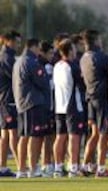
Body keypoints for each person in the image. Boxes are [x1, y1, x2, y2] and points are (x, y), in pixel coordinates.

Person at [13, 38, 50, 178]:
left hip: (22, 103)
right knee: (34, 136)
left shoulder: (18, 61)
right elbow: (43, 82)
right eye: (38, 49)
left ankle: (21, 169)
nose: (40, 52)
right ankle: (33, 169)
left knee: (24, 136)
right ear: (34, 47)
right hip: (33, 103)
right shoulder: (32, 62)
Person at [80, 29, 108, 177]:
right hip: (101, 99)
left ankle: (84, 165)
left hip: (90, 98)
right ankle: (100, 168)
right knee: (104, 134)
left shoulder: (83, 57)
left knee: (94, 134)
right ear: (96, 41)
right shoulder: (100, 57)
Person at [53, 39, 86, 178]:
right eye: (73, 48)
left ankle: (58, 167)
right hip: (73, 106)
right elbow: (82, 85)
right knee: (74, 137)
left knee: (60, 137)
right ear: (70, 51)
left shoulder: (57, 65)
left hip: (59, 106)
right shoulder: (72, 66)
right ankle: (73, 167)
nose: (75, 51)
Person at [0, 30, 21, 177]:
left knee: (5, 134)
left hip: (4, 100)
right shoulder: (7, 56)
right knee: (12, 133)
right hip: (8, 100)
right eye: (16, 42)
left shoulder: (7, 55)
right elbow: (16, 76)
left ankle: (2, 167)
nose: (18, 45)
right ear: (8, 41)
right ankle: (21, 166)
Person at [38, 41, 55, 177]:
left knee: (48, 136)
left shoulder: (48, 66)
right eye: (50, 53)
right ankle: (45, 164)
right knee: (44, 137)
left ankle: (47, 164)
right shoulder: (44, 67)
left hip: (48, 105)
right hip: (44, 106)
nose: (52, 56)